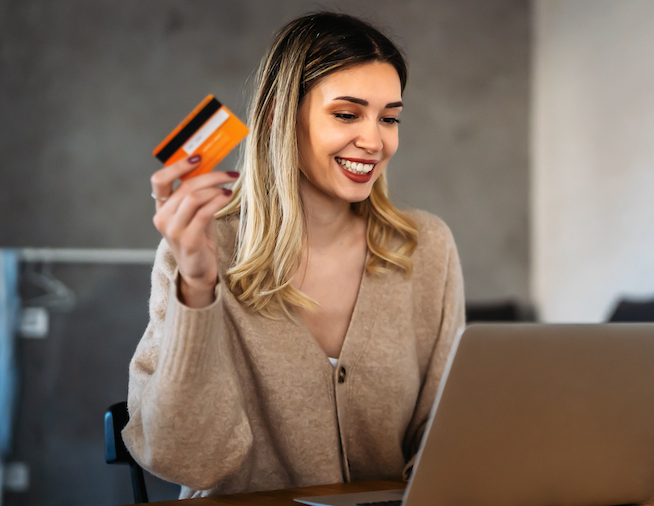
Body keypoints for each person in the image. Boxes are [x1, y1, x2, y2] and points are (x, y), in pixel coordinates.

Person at [122, 12, 465, 499]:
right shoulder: (202, 248)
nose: (375, 140)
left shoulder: (426, 247)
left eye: (389, 117)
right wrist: (197, 287)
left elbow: (441, 430)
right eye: (347, 114)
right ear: (277, 117)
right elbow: (185, 458)